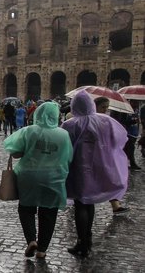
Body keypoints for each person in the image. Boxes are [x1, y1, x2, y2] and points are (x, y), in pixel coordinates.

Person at [62, 91, 129, 256]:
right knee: (89, 202)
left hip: (77, 169)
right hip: (97, 167)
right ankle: (88, 238)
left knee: (80, 204)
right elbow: (119, 139)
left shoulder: (70, 124)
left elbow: (64, 147)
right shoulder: (105, 121)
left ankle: (82, 241)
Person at [4, 101, 73, 260]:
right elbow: (68, 157)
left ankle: (31, 240)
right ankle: (42, 250)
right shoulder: (63, 134)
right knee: (49, 212)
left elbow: (15, 153)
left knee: (26, 208)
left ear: (38, 114)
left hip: (29, 176)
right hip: (53, 177)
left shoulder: (28, 131)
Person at [94, 96, 129, 215]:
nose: (105, 110)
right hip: (94, 155)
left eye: (107, 108)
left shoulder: (107, 120)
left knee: (112, 179)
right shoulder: (90, 119)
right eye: (103, 107)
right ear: (95, 106)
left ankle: (116, 205)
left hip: (104, 155)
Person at [111, 100, 142, 171]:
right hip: (128, 133)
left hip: (134, 133)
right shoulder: (125, 111)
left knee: (129, 149)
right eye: (135, 102)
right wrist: (132, 121)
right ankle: (131, 163)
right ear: (131, 102)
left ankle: (125, 162)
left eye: (138, 102)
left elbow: (137, 120)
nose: (137, 104)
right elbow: (122, 121)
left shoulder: (137, 110)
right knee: (129, 148)